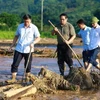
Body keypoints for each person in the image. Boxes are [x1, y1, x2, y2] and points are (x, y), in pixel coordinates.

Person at [7, 14, 40, 83]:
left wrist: (33, 43)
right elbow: (16, 36)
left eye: (27, 22)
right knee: (15, 64)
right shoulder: (20, 26)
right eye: (25, 21)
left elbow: (38, 38)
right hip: (19, 48)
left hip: (29, 49)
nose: (26, 23)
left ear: (30, 20)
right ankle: (13, 78)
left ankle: (27, 79)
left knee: (28, 65)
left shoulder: (34, 27)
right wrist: (12, 45)